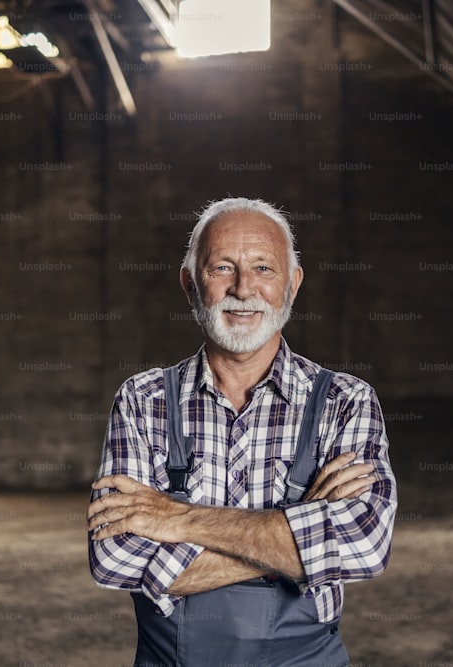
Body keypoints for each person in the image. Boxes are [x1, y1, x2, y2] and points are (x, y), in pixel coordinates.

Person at [87, 197, 397, 666]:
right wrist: (303, 525)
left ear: (292, 284)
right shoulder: (142, 399)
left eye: (264, 269)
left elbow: (363, 546)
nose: (244, 288)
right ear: (191, 283)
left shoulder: (346, 401)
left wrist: (174, 519)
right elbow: (114, 559)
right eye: (222, 268)